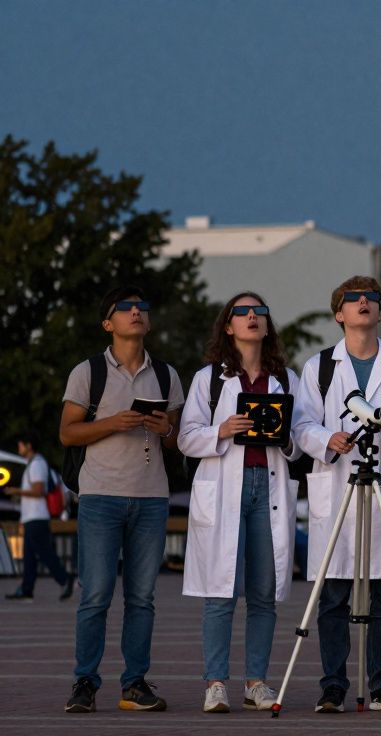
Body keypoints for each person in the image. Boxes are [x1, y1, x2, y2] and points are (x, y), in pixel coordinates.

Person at [291, 276, 381, 714]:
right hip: (337, 488)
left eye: (371, 298)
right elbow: (301, 425)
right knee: (332, 593)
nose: (364, 304)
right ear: (340, 313)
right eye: (354, 300)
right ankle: (333, 684)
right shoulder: (320, 367)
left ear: (380, 311)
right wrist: (327, 439)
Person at [59, 286, 185, 713]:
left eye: (142, 308)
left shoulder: (166, 375)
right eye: (126, 309)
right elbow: (67, 433)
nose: (136, 312)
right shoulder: (88, 372)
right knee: (95, 594)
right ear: (107, 323)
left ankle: (134, 683)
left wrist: (163, 428)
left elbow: (177, 440)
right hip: (99, 496)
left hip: (151, 498)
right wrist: (113, 422)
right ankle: (84, 683)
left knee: (142, 597)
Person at [178, 293, 301, 713]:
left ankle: (256, 681)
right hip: (226, 486)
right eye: (242, 312)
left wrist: (285, 437)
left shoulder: (285, 379)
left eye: (259, 312)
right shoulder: (209, 379)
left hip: (267, 489)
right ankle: (215, 683)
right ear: (228, 326)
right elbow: (186, 437)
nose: (252, 317)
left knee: (263, 592)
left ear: (267, 326)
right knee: (221, 591)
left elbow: (300, 439)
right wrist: (223, 429)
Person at [4, 434, 75, 601]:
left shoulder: (37, 464)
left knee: (44, 553)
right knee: (29, 556)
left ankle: (65, 579)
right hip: (31, 518)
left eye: (20, 445)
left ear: (28, 445)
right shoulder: (33, 464)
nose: (19, 448)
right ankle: (26, 588)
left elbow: (39, 491)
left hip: (37, 518)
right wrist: (20, 496)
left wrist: (17, 491)